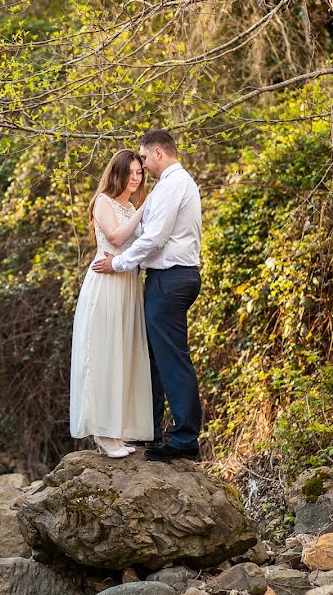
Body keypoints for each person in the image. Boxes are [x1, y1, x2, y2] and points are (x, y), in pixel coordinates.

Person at [91, 129, 203, 461]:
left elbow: (153, 238)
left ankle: (183, 439)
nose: (142, 168)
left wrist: (120, 264)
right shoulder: (174, 185)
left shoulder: (172, 185)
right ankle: (150, 431)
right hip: (167, 279)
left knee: (171, 359)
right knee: (154, 359)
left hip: (170, 279)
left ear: (157, 153)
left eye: (143, 159)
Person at [70, 149, 155, 458]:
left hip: (128, 286)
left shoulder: (131, 207)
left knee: (124, 354)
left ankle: (117, 432)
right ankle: (103, 432)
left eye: (140, 172)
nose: (137, 177)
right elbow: (116, 239)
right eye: (132, 172)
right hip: (106, 285)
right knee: (104, 353)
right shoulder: (104, 203)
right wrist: (143, 210)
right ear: (118, 173)